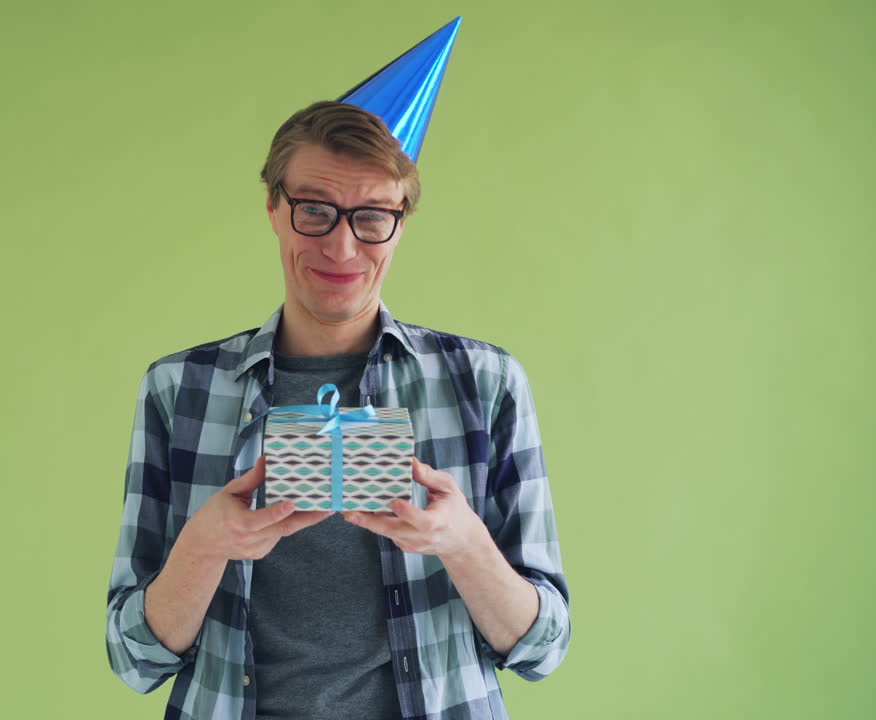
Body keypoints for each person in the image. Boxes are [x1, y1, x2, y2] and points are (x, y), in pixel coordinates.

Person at [106, 100, 570, 720]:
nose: (342, 247)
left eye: (372, 216)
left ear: (401, 224)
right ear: (273, 207)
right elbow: (134, 660)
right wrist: (204, 546)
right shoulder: (180, 390)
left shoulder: (485, 385)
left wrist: (462, 543)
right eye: (315, 211)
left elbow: (544, 649)